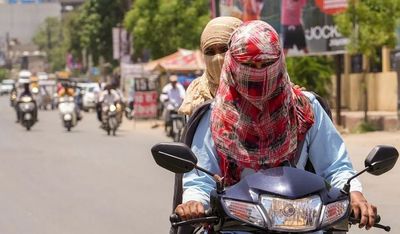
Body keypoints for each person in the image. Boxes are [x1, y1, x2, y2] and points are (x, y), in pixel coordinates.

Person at [176, 21, 377, 230]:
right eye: (249, 65)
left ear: (279, 62)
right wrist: (194, 203)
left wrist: (355, 193)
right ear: (233, 65)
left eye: (265, 64)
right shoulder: (213, 116)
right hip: (237, 225)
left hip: (303, 222)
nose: (258, 73)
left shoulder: (305, 109)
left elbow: (335, 165)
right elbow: (200, 180)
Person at [179, 16, 243, 116]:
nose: (218, 58)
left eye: (224, 49)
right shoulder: (196, 92)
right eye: (210, 52)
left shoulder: (256, 87)